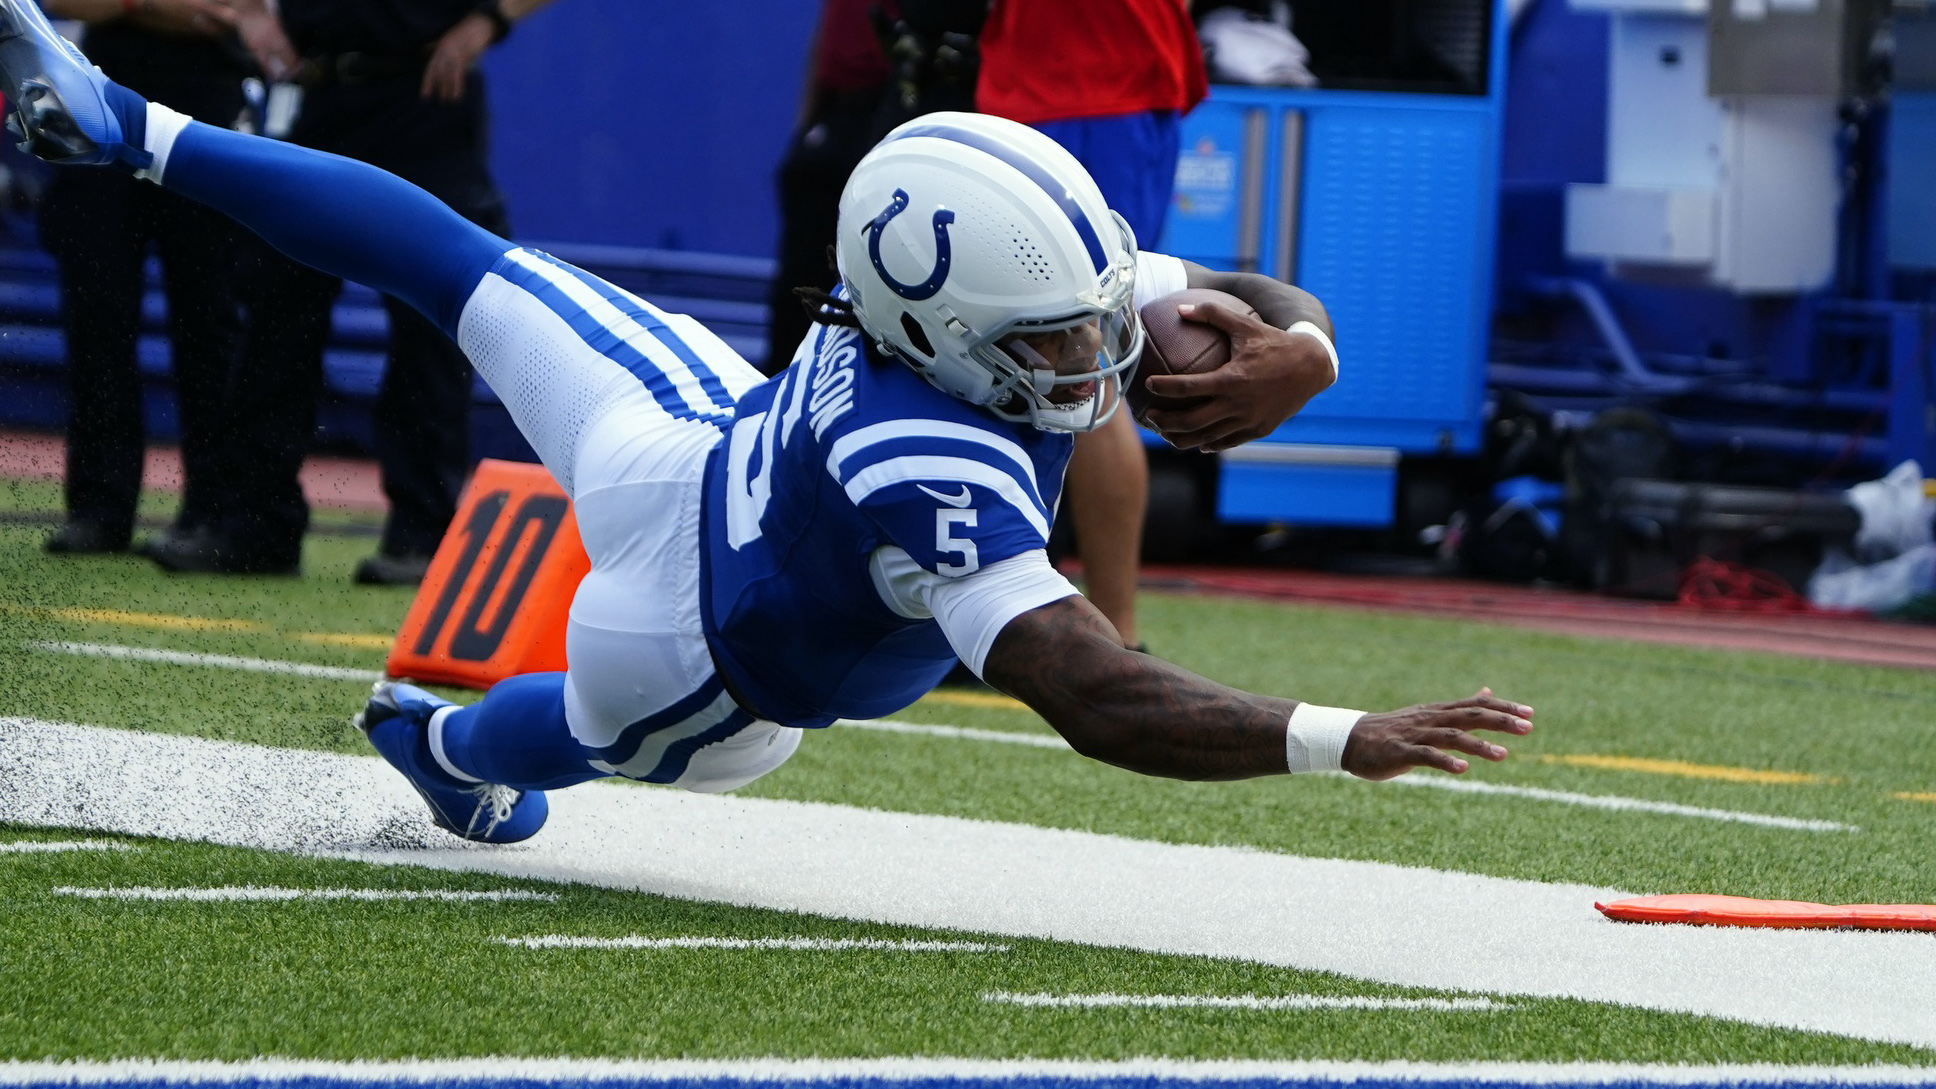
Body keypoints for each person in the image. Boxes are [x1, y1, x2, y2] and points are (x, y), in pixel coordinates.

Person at [0, 0, 1534, 846]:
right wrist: (1346, 740)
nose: (1097, 351)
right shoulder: (922, 456)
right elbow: (1094, 697)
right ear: (940, 332)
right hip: (702, 645)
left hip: (697, 421)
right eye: (1059, 337)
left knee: (457, 264)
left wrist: (1309, 349)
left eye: (1093, 316)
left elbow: (1213, 289)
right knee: (599, 728)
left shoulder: (1002, 283)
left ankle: (124, 124)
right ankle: (444, 737)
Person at [148, 0, 550, 581]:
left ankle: (422, 532)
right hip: (318, 92)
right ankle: (254, 524)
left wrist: (487, 20)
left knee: (430, 319)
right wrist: (250, 14)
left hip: (425, 96)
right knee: (275, 308)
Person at [975, 0, 1210, 650]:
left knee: (1078, 351)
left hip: (1079, 84)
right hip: (1097, 79)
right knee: (1054, 350)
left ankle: (1115, 636)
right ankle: (1075, 622)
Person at [35, 0, 249, 557]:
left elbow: (234, 14)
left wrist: (133, 6)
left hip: (203, 101)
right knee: (96, 315)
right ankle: (99, 508)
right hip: (99, 101)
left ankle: (214, 508)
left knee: (210, 319)